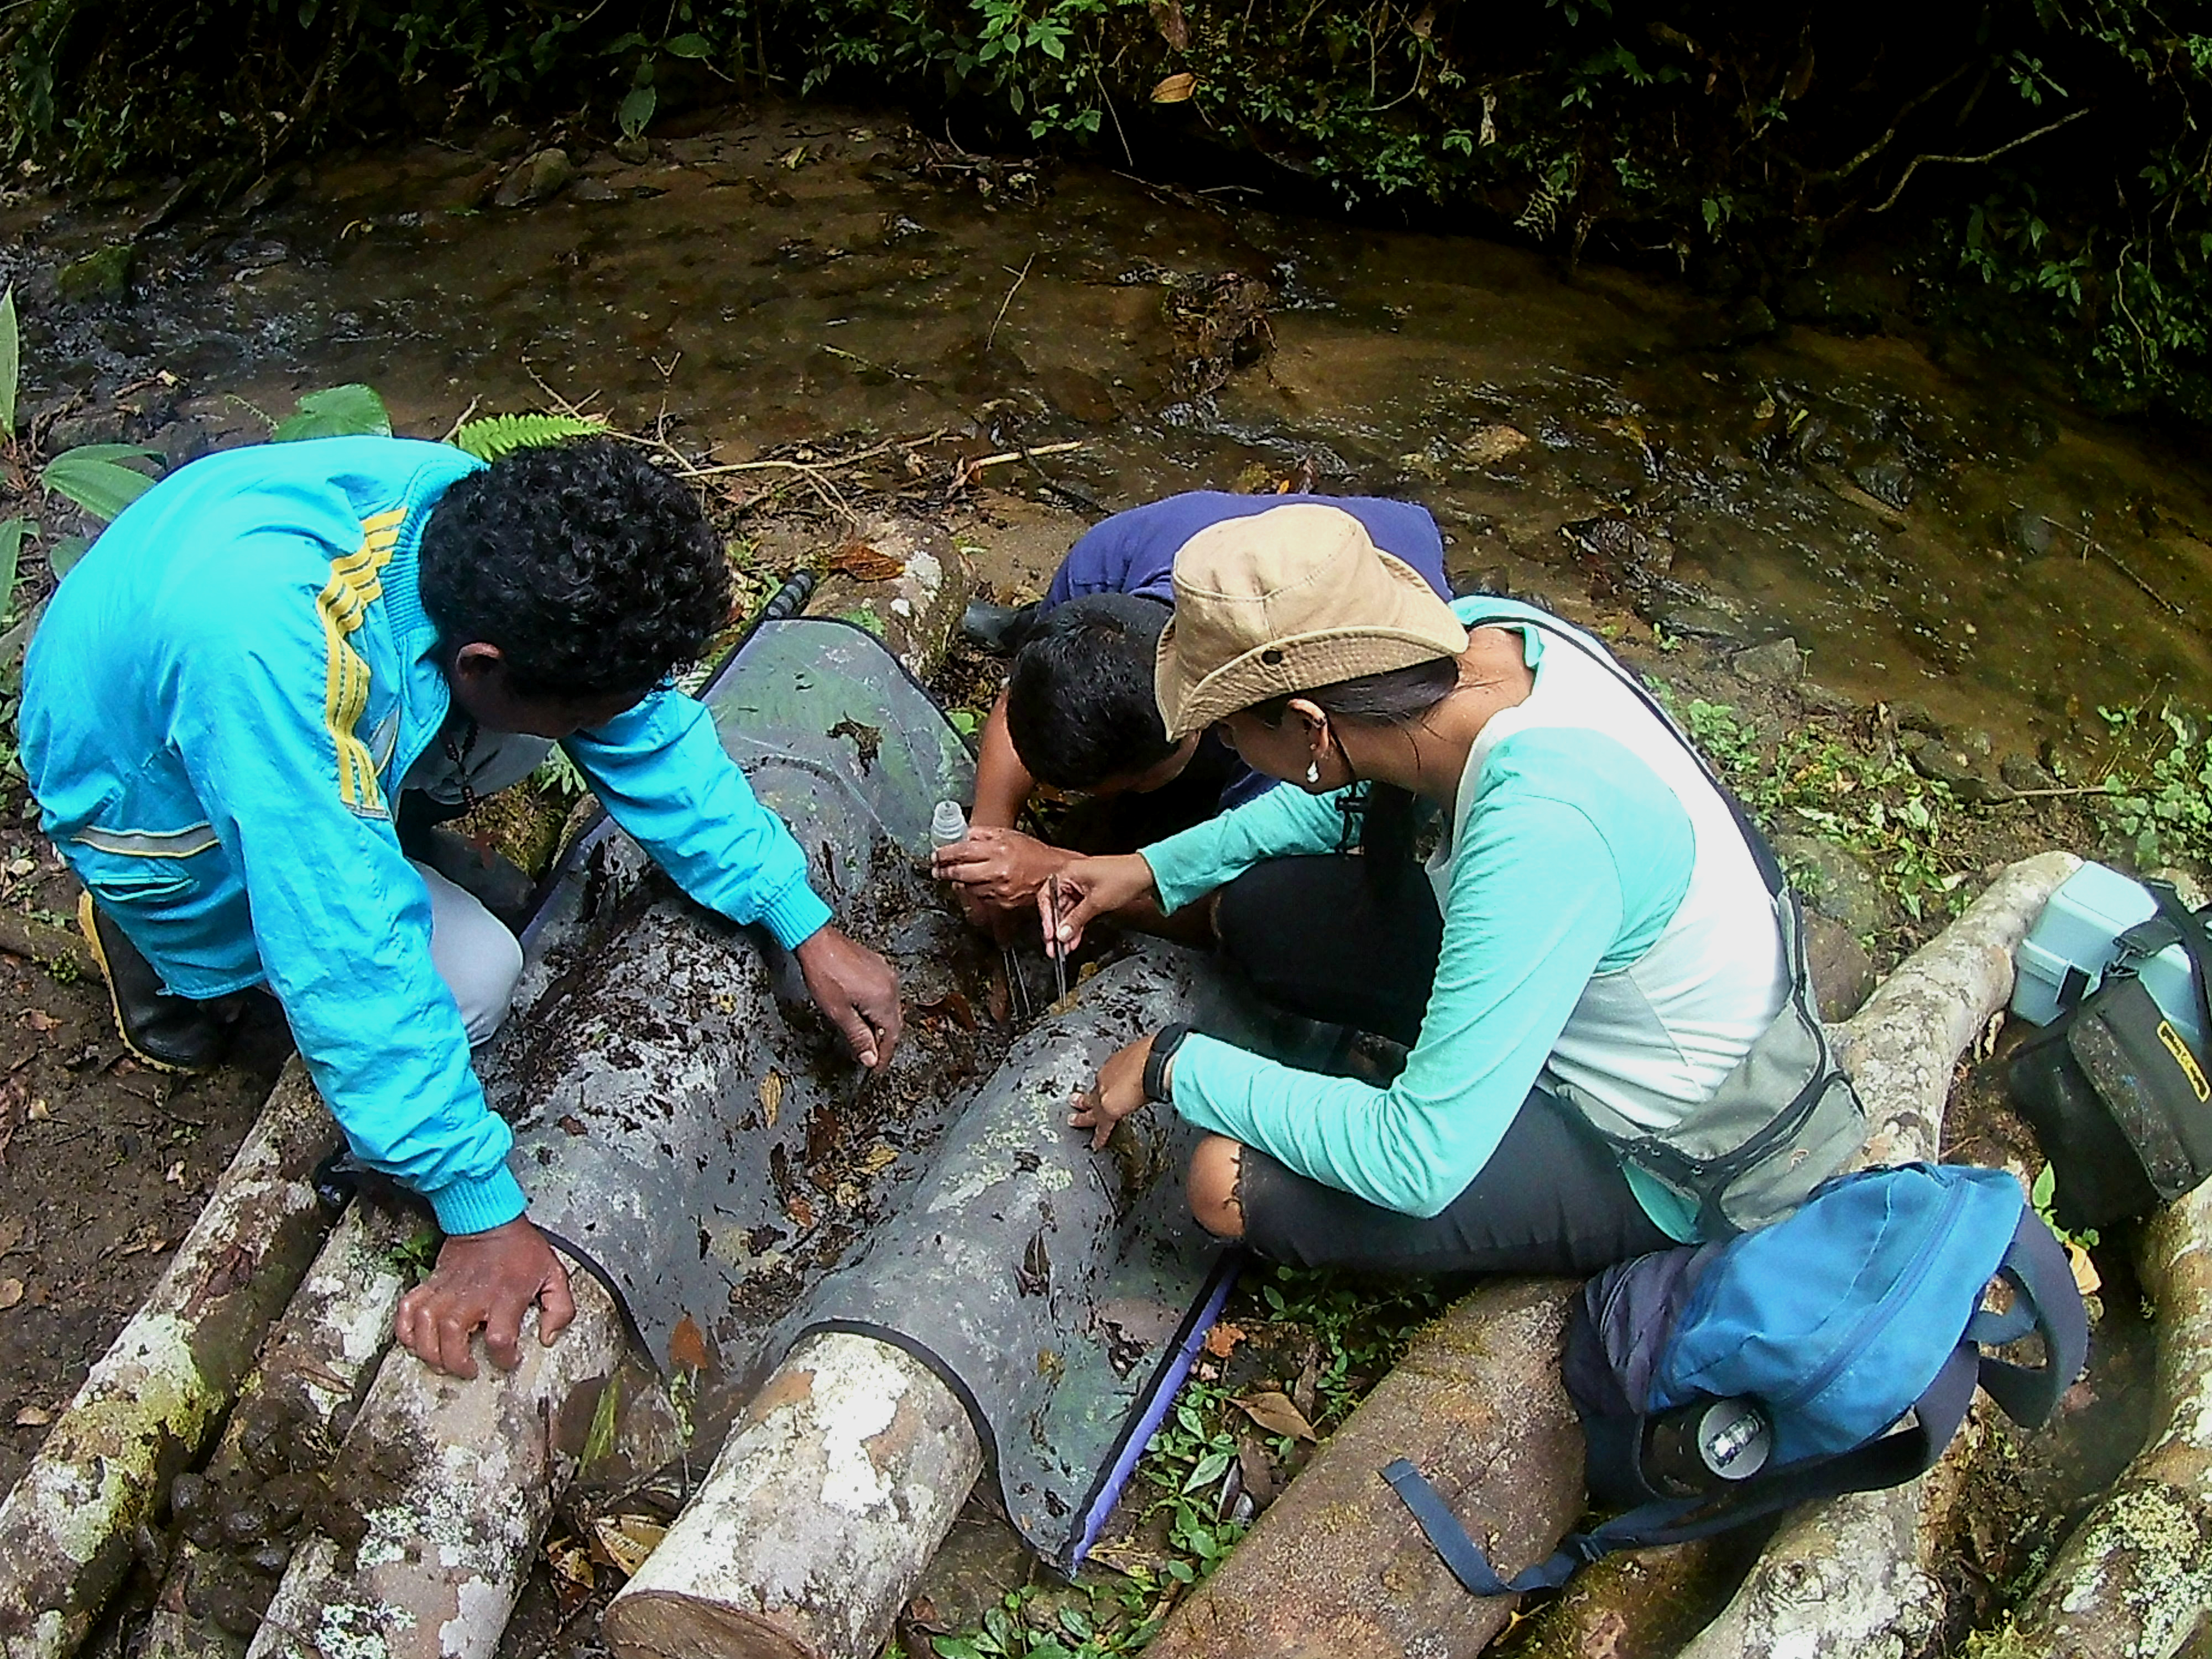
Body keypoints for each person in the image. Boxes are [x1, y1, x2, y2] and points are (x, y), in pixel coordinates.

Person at [20, 434, 902, 1376]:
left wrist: (795, 914)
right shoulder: (273, 661)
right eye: (590, 706)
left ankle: (375, 820)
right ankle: (165, 953)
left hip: (259, 694)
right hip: (148, 800)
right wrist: (478, 1207)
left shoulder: (476, 530)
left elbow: (644, 731)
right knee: (478, 980)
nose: (606, 724)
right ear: (475, 667)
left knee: (528, 745)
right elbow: (345, 950)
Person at [1045, 503, 1848, 1276]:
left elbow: (1417, 1160)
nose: (1224, 745)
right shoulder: (1477, 642)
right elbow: (1332, 801)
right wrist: (1148, 869)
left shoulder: (1543, 824)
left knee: (1223, 1180)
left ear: (1309, 724)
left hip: (1669, 1138)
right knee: (1265, 916)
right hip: (1571, 969)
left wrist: (1175, 1066)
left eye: (1230, 729)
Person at [937, 491, 1451, 937]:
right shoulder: (1103, 566)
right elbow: (1022, 699)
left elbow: (1242, 895)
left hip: (1390, 581)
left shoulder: (1286, 728)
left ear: (1199, 722)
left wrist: (1067, 872)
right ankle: (1026, 625)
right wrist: (988, 832)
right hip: (1284, 547)